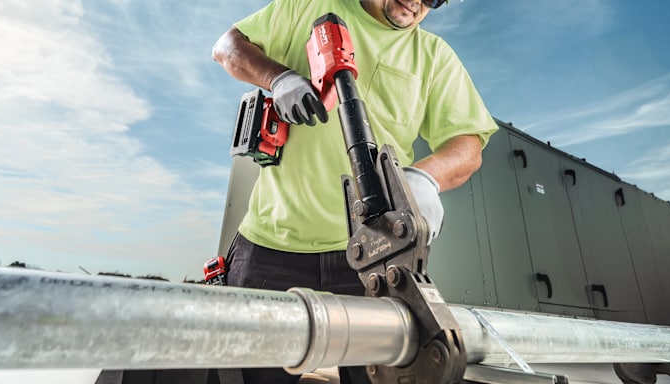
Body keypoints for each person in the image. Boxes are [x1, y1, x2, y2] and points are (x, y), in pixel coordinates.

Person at [211, 0, 498, 382]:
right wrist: (277, 78)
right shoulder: (309, 6)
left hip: (374, 256)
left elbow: (467, 146)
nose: (416, 2)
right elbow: (228, 46)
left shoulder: (434, 56)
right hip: (272, 245)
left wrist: (426, 178)